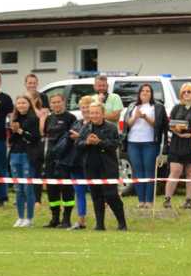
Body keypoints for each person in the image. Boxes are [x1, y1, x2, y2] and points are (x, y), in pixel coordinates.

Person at [76, 102, 127, 231]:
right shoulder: (86, 128)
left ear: (103, 114)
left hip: (108, 167)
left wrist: (99, 142)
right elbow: (77, 145)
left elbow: (114, 145)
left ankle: (122, 223)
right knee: (96, 195)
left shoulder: (111, 127)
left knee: (111, 195)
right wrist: (86, 142)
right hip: (91, 167)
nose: (94, 115)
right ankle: (100, 224)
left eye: (97, 113)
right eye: (92, 113)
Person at [122, 83, 168, 208]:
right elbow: (127, 125)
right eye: (143, 91)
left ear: (151, 93)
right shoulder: (132, 106)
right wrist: (136, 117)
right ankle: (141, 200)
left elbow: (160, 125)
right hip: (133, 143)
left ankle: (149, 201)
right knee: (137, 171)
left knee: (149, 171)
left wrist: (146, 117)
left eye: (148, 91)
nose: (145, 93)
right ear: (139, 93)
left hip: (150, 143)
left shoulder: (157, 107)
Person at [163, 83, 191, 209]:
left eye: (189, 91)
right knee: (175, 171)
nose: (186, 94)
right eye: (184, 92)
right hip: (177, 142)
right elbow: (170, 124)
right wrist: (177, 131)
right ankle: (167, 199)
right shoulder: (177, 108)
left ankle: (188, 200)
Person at [42, 93, 77, 228]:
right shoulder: (49, 118)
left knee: (66, 189)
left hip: (65, 159)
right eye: (53, 102)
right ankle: (54, 218)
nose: (56, 105)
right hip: (51, 158)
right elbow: (45, 136)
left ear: (63, 102)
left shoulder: (70, 118)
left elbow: (71, 138)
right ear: (50, 105)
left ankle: (66, 219)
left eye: (58, 102)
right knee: (52, 189)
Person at [8, 95, 40, 226]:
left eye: (24, 103)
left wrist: (20, 131)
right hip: (15, 154)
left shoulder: (33, 119)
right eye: (19, 103)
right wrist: (14, 131)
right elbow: (10, 141)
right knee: (18, 188)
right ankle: (20, 217)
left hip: (28, 155)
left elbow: (35, 138)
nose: (21, 105)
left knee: (28, 188)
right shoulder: (14, 119)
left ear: (29, 104)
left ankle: (29, 218)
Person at [66, 96, 93, 230]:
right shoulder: (76, 123)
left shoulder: (95, 124)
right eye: (83, 107)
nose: (85, 110)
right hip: (75, 162)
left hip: (90, 163)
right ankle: (81, 220)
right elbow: (70, 139)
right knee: (79, 193)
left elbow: (91, 141)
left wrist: (79, 137)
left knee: (96, 192)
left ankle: (100, 221)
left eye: (88, 107)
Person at [0, 70, 14, 207]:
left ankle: (1, 197)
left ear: (0, 82)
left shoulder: (5, 98)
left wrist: (10, 137)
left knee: (0, 167)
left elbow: (12, 118)